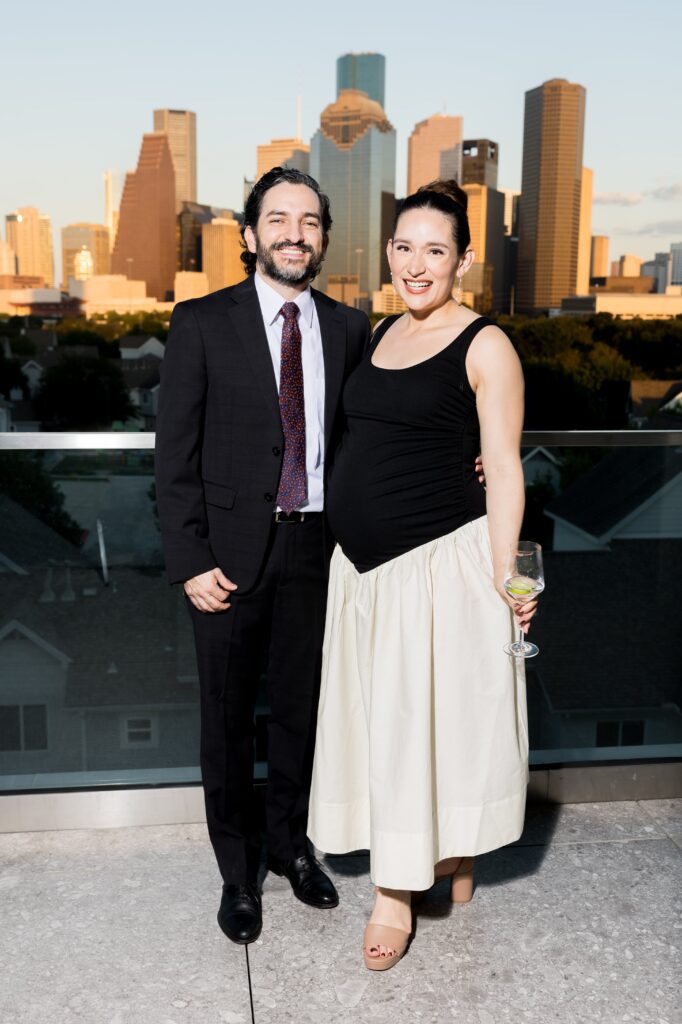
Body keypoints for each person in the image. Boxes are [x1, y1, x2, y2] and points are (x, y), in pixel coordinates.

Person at [307, 180, 537, 971]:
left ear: (463, 261)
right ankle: (455, 856)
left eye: (435, 250)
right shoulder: (379, 332)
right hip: (361, 576)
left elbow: (504, 469)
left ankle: (395, 894)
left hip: (434, 570)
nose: (415, 264)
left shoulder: (486, 346)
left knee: (417, 730)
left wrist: (509, 578)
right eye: (404, 246)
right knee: (397, 729)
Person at [154, 167, 371, 945]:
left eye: (309, 221)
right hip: (226, 556)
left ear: (324, 238)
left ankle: (288, 845)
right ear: (249, 235)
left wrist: (467, 458)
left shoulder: (350, 329)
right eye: (277, 219)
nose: (293, 234)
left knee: (300, 712)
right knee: (226, 719)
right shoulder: (201, 322)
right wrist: (189, 559)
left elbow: (369, 438)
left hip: (317, 549)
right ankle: (237, 872)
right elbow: (173, 454)